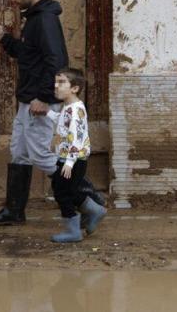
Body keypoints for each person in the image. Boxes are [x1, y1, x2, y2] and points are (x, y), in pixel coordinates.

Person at [0, 0, 103, 226]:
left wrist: (42, 96)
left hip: (38, 100)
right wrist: (5, 38)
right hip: (27, 100)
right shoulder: (34, 18)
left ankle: (87, 200)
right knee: (19, 153)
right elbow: (28, 56)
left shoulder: (45, 20)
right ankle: (14, 211)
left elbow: (56, 61)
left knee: (42, 155)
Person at [48, 68, 106, 243]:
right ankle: (95, 210)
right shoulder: (69, 107)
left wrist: (69, 162)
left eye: (61, 83)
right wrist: (48, 113)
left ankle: (74, 231)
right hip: (67, 158)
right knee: (67, 190)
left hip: (71, 160)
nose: (56, 86)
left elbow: (77, 138)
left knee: (62, 193)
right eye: (55, 83)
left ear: (75, 88)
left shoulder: (75, 111)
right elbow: (63, 122)